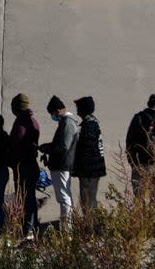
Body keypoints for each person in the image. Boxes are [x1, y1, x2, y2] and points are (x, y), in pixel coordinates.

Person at [39, 95, 78, 232]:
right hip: (61, 164)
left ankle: (67, 229)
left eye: (52, 113)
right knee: (64, 197)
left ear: (58, 110)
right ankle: (67, 228)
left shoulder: (67, 123)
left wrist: (48, 149)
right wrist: (46, 147)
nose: (53, 116)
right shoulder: (66, 122)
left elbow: (63, 146)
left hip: (62, 165)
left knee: (64, 198)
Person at [126, 93, 155, 201]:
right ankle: (152, 217)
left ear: (148, 103)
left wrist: (132, 162)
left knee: (139, 198)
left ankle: (141, 217)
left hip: (140, 164)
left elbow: (129, 141)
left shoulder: (138, 118)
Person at [9, 92, 41, 240]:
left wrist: (12, 161)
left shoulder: (21, 123)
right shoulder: (33, 121)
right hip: (30, 165)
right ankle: (33, 228)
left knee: (25, 199)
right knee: (30, 198)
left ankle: (27, 229)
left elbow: (17, 145)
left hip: (23, 166)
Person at [72, 96, 106, 217]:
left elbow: (88, 149)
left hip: (89, 171)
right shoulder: (92, 123)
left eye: (78, 107)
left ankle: (91, 228)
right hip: (93, 170)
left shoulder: (89, 125)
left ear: (83, 109)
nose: (76, 109)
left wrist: (79, 165)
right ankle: (93, 226)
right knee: (90, 200)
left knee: (87, 201)